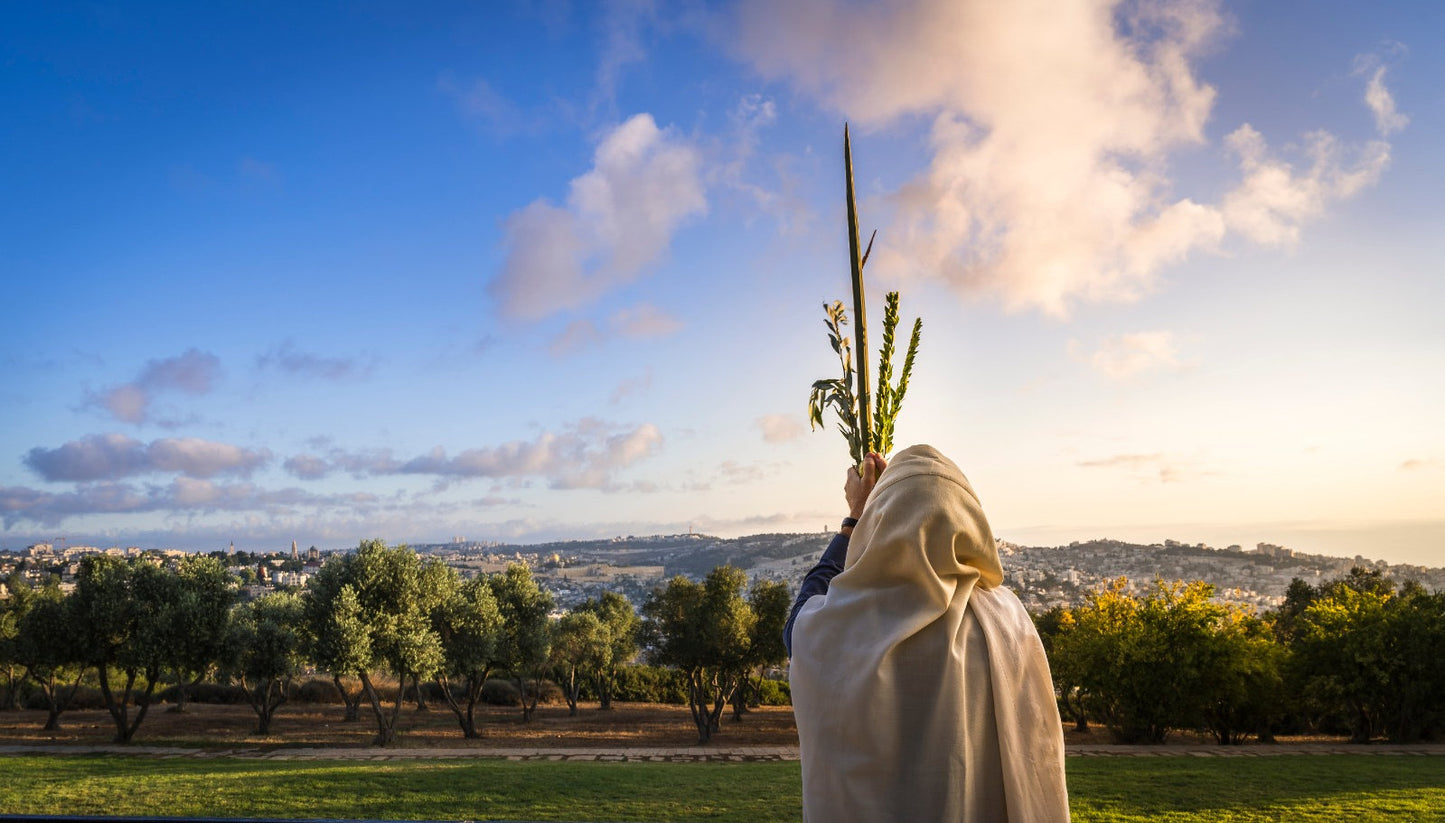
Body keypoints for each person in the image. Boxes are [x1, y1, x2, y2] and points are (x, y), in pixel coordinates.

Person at [786, 444, 1070, 822]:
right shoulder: (1009, 621)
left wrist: (855, 517)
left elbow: (798, 623)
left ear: (881, 523)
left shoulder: (840, 624)